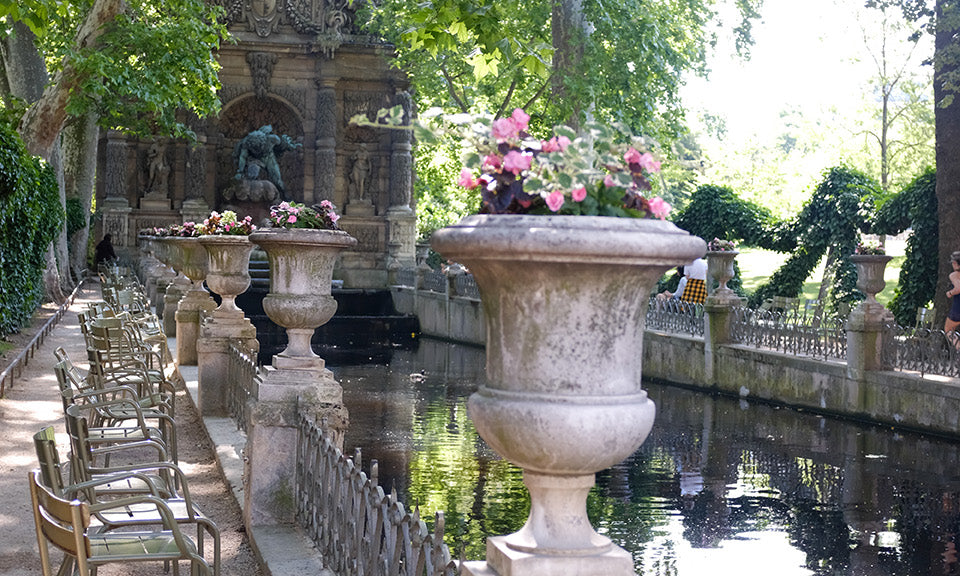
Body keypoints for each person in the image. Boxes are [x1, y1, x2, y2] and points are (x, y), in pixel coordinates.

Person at [945, 251, 960, 344]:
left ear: (955, 263)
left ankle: (958, 347)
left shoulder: (954, 275)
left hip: (958, 309)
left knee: (948, 329)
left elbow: (958, 288)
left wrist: (950, 293)